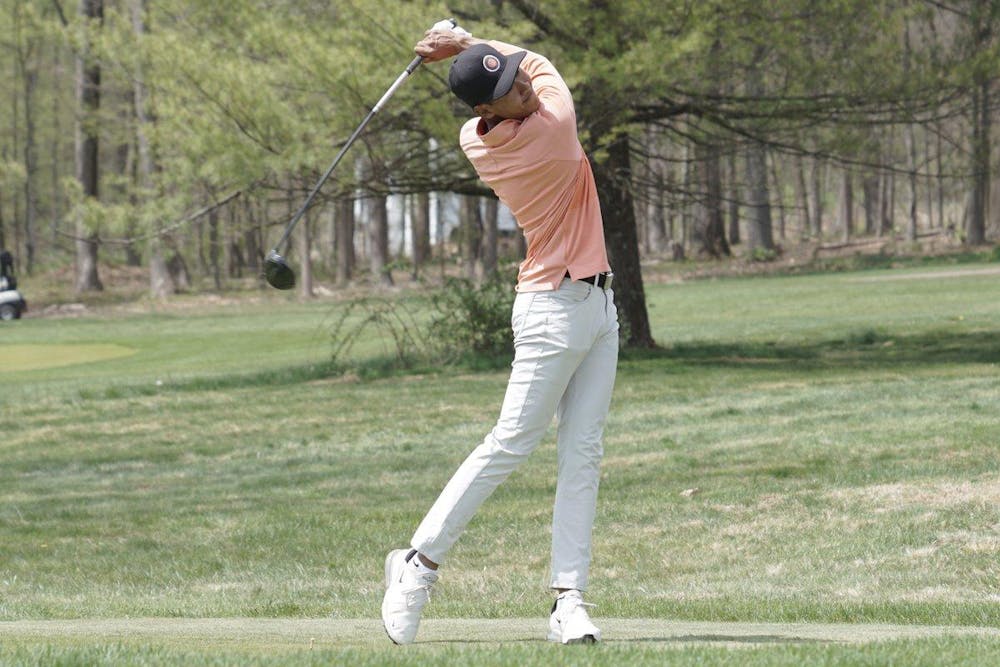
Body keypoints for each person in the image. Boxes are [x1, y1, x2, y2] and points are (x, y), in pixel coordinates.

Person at [381, 25, 619, 645]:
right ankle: (418, 565)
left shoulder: (474, 135)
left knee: (582, 455)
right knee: (510, 443)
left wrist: (469, 53)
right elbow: (537, 59)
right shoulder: (552, 129)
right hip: (552, 309)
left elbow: (517, 70)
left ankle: (569, 600)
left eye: (514, 75)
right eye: (510, 89)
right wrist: (461, 39)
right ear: (490, 110)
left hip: (598, 306)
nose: (523, 85)